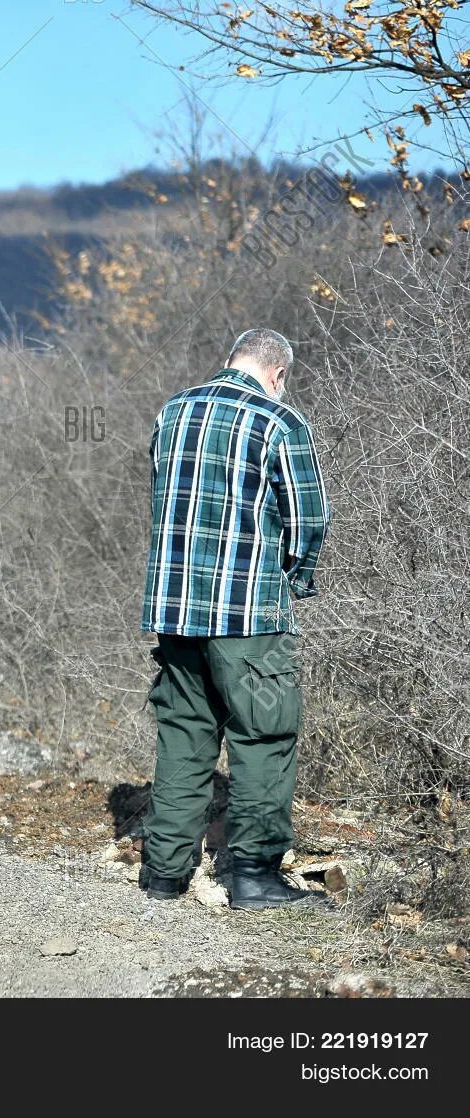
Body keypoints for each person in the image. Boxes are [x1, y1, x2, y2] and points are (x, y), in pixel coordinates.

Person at [140, 329, 330, 910]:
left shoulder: (173, 411)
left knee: (184, 734)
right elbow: (308, 520)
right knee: (265, 735)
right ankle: (253, 877)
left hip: (174, 612)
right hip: (249, 612)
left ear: (231, 363)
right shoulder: (280, 422)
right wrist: (293, 581)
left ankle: (164, 875)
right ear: (278, 375)